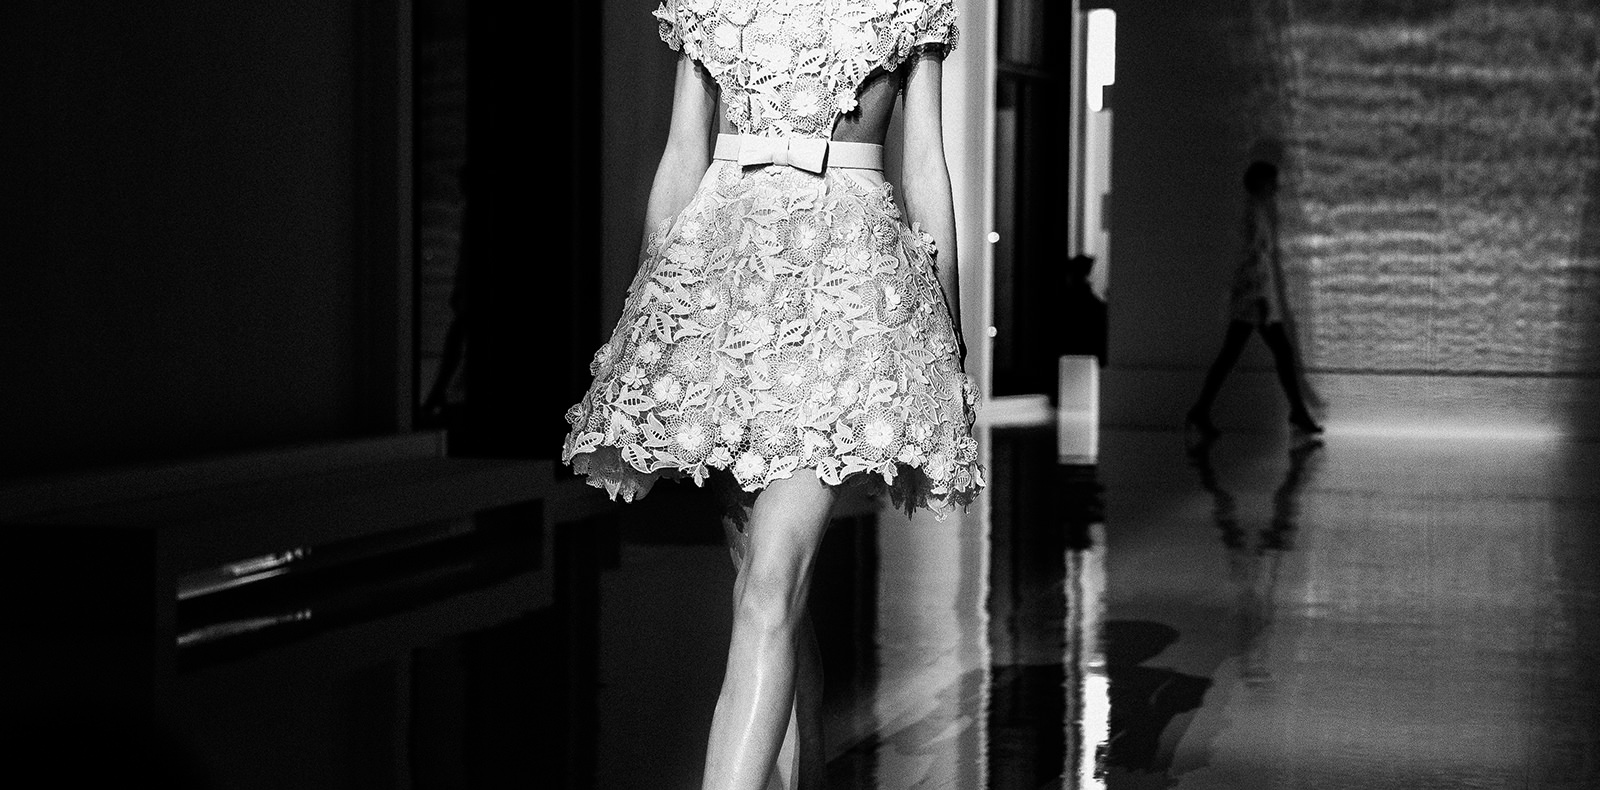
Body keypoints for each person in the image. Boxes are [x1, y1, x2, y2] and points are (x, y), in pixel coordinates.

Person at [559, 2, 984, 788]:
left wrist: (947, 332)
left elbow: (925, 163)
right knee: (763, 580)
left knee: (768, 585)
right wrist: (653, 310)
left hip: (846, 294)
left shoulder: (907, 4)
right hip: (725, 287)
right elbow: (682, 153)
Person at [1186, 161, 1323, 440]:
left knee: (1236, 355)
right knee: (1273, 353)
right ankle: (1297, 412)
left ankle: (1201, 411)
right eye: (1272, 181)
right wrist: (1260, 296)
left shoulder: (1255, 211)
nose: (1276, 187)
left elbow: (1251, 257)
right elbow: (1251, 258)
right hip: (1255, 298)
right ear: (1260, 182)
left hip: (1254, 297)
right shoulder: (1253, 213)